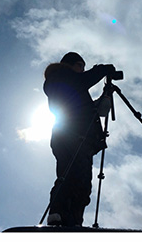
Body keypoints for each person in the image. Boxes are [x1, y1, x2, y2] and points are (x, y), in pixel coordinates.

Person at [42, 52, 115, 227]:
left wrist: (104, 97)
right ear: (70, 65)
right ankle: (60, 214)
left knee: (78, 180)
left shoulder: (69, 85)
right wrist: (104, 69)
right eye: (80, 65)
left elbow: (85, 109)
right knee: (71, 176)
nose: (82, 70)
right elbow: (83, 81)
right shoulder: (62, 77)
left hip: (74, 136)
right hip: (72, 135)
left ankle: (72, 220)